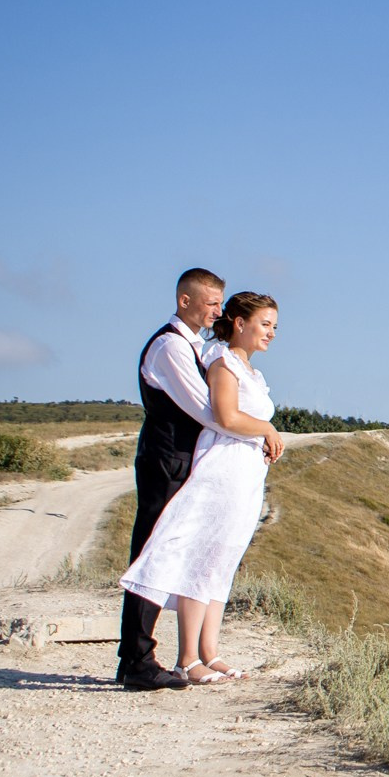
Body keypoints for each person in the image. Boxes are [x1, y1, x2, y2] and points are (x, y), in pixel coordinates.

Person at [120, 290, 287, 684]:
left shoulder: (249, 371)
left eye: (275, 326)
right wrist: (265, 429)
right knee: (202, 554)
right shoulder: (218, 359)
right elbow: (223, 416)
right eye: (266, 324)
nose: (272, 333)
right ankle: (187, 657)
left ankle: (209, 651)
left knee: (223, 558)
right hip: (222, 467)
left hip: (246, 471)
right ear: (241, 324)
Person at [117, 267, 224, 690]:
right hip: (165, 460)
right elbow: (206, 410)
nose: (218, 310)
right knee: (152, 555)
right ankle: (136, 660)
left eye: (220, 301)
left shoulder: (195, 347)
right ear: (185, 300)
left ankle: (143, 657)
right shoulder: (170, 347)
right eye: (211, 302)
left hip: (180, 460)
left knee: (169, 555)